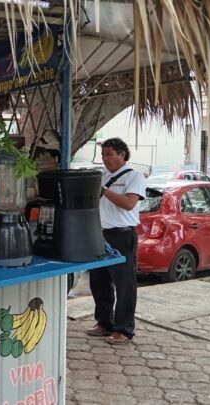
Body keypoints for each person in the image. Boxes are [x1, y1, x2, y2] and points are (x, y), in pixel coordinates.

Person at [87, 137, 146, 345]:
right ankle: (104, 322)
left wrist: (104, 191)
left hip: (122, 235)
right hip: (99, 234)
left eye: (110, 154)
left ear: (122, 154)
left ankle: (124, 329)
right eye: (103, 155)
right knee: (99, 281)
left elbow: (129, 204)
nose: (105, 159)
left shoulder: (134, 177)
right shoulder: (101, 176)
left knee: (124, 284)